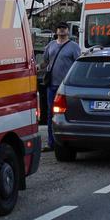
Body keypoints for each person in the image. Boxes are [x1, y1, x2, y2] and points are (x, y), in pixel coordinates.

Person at [41, 23, 80, 152]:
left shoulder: (74, 47)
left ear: (68, 31)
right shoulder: (50, 46)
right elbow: (44, 62)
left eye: (64, 28)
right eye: (60, 28)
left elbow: (78, 65)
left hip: (66, 87)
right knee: (51, 114)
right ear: (56, 31)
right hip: (52, 86)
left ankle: (69, 142)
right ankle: (51, 142)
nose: (62, 30)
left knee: (68, 114)